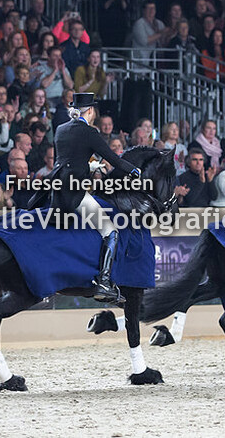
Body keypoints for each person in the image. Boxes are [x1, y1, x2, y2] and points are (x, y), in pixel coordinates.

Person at [31, 93, 141, 304]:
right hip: (75, 195)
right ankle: (104, 282)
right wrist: (134, 171)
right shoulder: (89, 132)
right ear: (89, 111)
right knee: (111, 231)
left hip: (57, 192)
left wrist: (88, 166)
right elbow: (114, 159)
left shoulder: (61, 129)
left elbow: (67, 161)